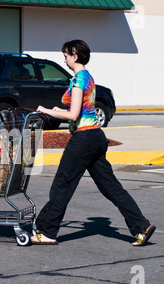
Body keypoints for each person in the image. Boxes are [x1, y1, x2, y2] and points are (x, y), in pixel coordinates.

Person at [31, 40, 155, 246]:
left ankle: (47, 231)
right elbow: (82, 112)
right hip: (96, 136)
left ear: (75, 55)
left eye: (66, 55)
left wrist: (49, 112)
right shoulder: (87, 78)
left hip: (84, 139)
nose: (64, 59)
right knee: (111, 187)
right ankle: (142, 226)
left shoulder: (79, 80)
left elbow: (73, 113)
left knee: (63, 183)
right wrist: (51, 110)